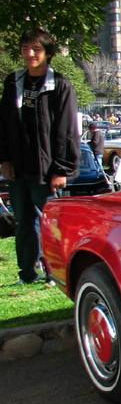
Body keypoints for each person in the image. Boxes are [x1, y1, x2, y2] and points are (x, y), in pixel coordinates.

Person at [0, 27, 80, 284]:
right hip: (18, 166)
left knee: (49, 221)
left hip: (46, 169)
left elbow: (67, 130)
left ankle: (53, 271)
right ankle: (27, 272)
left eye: (36, 49)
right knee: (23, 220)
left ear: (48, 53)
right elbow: (3, 124)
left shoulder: (60, 85)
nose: (30, 53)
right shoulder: (13, 82)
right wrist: (4, 160)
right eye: (26, 48)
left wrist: (62, 169)